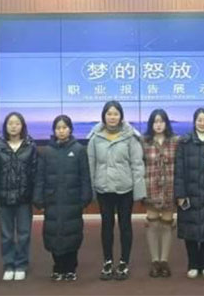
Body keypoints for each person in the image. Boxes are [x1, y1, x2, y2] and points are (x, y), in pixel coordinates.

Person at [87, 100, 146, 281]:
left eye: (115, 114)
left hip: (124, 188)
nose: (112, 117)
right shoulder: (95, 137)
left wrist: (139, 191)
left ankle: (123, 262)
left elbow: (137, 164)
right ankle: (107, 261)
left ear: (121, 116)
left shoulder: (130, 136)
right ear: (103, 116)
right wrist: (91, 190)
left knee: (125, 225)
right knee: (106, 226)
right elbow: (91, 164)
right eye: (109, 114)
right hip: (103, 189)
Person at [34, 115, 92, 282]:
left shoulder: (79, 150)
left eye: (64, 127)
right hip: (52, 200)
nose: (61, 131)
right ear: (54, 130)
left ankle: (70, 268)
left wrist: (85, 198)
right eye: (58, 128)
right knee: (54, 234)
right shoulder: (47, 151)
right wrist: (38, 198)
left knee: (72, 234)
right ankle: (58, 267)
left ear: (70, 129)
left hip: (72, 200)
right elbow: (40, 177)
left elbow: (85, 177)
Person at [0, 112, 37, 281]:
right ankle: (8, 264)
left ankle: (21, 264)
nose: (13, 126)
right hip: (3, 197)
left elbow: (35, 172)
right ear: (5, 126)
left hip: (24, 197)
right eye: (10, 123)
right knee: (6, 234)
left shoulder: (30, 145)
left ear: (22, 126)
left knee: (24, 234)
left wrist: (35, 196)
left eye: (17, 123)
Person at [174, 108, 204, 279]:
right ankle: (193, 264)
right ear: (194, 122)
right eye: (199, 120)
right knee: (191, 230)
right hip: (190, 193)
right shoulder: (184, 142)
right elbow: (179, 171)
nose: (202, 123)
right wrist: (180, 194)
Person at [141, 109, 178, 278]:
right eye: (155, 122)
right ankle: (155, 261)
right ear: (151, 124)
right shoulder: (144, 142)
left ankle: (164, 261)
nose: (158, 125)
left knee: (167, 224)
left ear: (166, 123)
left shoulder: (175, 141)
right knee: (153, 225)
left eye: (161, 121)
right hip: (151, 187)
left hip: (170, 188)